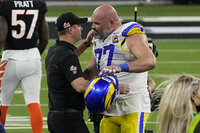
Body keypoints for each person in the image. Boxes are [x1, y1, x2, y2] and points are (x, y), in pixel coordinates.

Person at [84, 4, 156, 133]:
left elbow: (149, 61)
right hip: (109, 108)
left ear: (111, 23)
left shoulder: (130, 35)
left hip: (132, 106)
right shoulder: (99, 40)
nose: (92, 27)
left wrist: (120, 67)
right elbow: (91, 70)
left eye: (97, 23)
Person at [0, 0, 48, 133]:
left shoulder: (6, 5)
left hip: (10, 58)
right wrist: (34, 54)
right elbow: (44, 38)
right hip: (33, 58)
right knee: (34, 103)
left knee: (2, 103)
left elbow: (1, 38)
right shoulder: (39, 4)